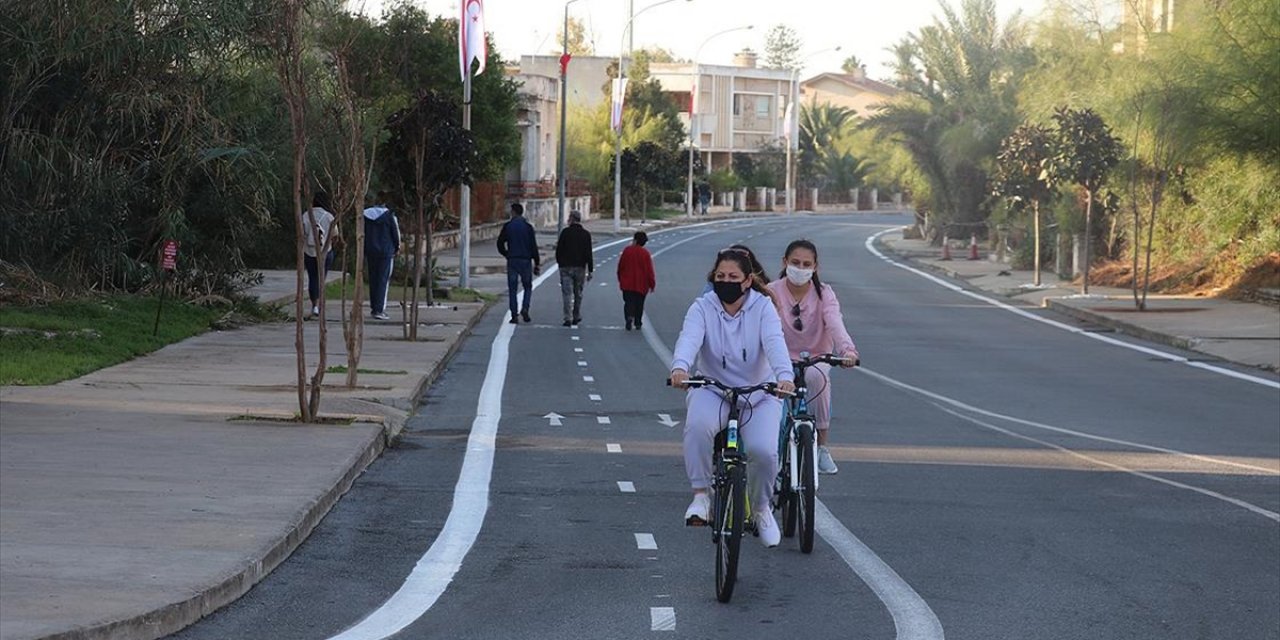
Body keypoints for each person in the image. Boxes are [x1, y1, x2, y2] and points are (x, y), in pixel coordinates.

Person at [669, 248, 795, 548]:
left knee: (764, 452)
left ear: (748, 280)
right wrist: (680, 367)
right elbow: (689, 338)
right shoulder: (702, 307)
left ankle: (762, 509)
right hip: (714, 390)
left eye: (733, 277)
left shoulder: (763, 308)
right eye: (720, 276)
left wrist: (784, 377)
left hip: (760, 394)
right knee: (698, 428)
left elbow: (775, 343)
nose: (726, 282)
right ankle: (701, 496)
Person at [767, 239, 859, 475]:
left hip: (816, 358)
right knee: (773, 401)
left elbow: (835, 322)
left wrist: (847, 351)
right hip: (779, 360)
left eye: (807, 264)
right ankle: (771, 455)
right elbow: (767, 328)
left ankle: (822, 447)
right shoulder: (771, 291)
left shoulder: (824, 293)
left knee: (817, 377)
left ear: (815, 267)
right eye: (795, 262)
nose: (801, 268)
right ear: (785, 262)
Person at [496, 202, 541, 324]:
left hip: (513, 260)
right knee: (527, 286)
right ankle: (525, 308)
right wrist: (537, 263)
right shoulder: (528, 227)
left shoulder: (508, 226)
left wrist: (506, 254)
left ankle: (514, 315)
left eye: (511, 211)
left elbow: (500, 243)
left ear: (514, 212)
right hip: (526, 260)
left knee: (512, 288)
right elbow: (533, 247)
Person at [363, 193, 400, 321]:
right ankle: (379, 309)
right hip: (386, 252)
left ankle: (374, 307)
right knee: (383, 280)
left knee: (373, 280)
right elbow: (395, 234)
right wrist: (397, 248)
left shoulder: (365, 215)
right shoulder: (389, 216)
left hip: (370, 251)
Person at [554, 210, 593, 327]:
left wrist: (560, 263)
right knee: (578, 293)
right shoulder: (586, 234)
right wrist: (590, 269)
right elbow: (588, 254)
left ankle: (567, 317)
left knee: (567, 293)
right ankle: (576, 315)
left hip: (565, 267)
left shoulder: (565, 232)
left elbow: (559, 250)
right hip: (580, 267)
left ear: (571, 218)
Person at [302, 192, 338, 318]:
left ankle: (314, 305)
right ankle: (321, 303)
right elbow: (335, 235)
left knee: (313, 278)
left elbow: (302, 234)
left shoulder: (306, 215)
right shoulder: (329, 217)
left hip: (309, 251)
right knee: (322, 278)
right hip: (326, 251)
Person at [616, 231, 655, 331]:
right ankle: (638, 322)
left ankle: (629, 317)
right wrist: (652, 284)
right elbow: (649, 270)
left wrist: (620, 278)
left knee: (628, 301)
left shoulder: (627, 251)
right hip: (641, 284)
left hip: (627, 283)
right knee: (639, 303)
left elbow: (621, 266)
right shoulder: (645, 254)